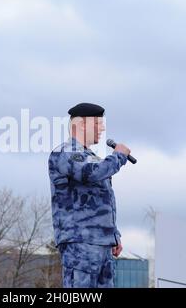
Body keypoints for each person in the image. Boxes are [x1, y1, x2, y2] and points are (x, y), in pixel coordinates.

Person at [48, 103, 131, 288]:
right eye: (97, 123)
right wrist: (118, 156)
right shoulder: (66, 152)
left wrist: (113, 235)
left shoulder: (89, 156)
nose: (102, 128)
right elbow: (92, 172)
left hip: (102, 243)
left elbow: (104, 200)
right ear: (82, 124)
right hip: (80, 243)